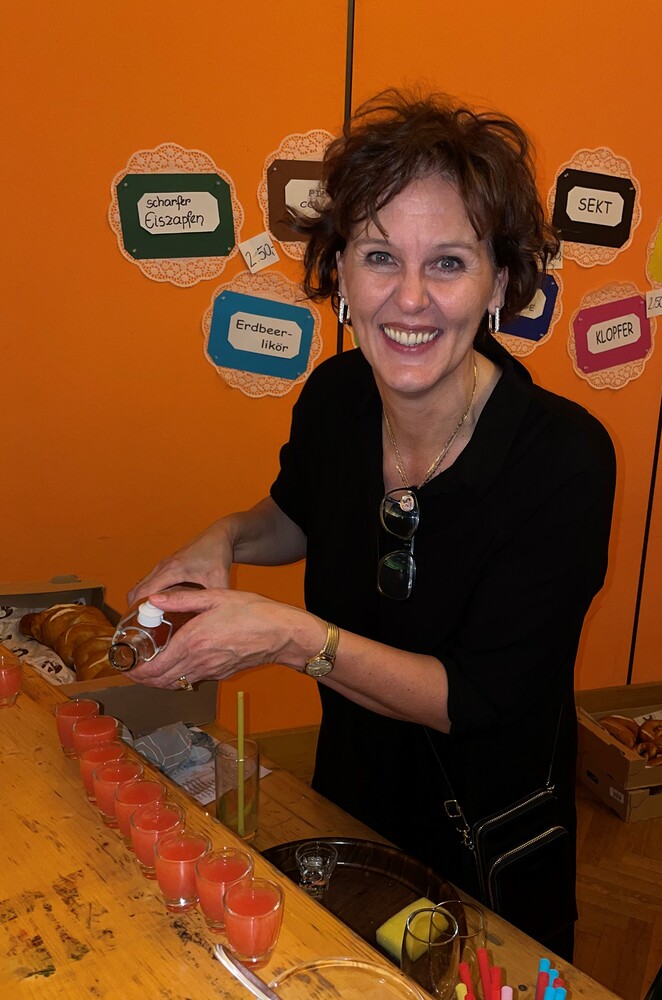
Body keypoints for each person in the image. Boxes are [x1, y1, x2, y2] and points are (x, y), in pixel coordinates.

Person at [126, 91, 616, 959]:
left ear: (500, 283)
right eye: (381, 256)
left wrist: (288, 636)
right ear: (342, 275)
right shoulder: (337, 395)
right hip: (348, 805)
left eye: (449, 262)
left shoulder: (563, 462)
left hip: (487, 844)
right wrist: (227, 537)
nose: (411, 299)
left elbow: (475, 699)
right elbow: (299, 514)